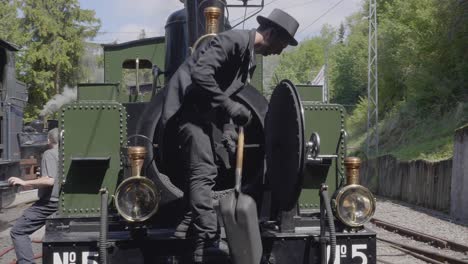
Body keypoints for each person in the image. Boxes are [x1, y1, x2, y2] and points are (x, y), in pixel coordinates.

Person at [160, 8, 299, 262]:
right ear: (270, 33)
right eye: (282, 43)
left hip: (201, 116)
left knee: (210, 169)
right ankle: (208, 241)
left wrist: (227, 129)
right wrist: (230, 107)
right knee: (204, 172)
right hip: (184, 112)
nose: (280, 51)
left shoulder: (247, 57)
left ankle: (188, 226)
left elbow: (221, 91)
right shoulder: (232, 40)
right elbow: (201, 74)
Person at [8, 128, 59, 264]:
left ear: (49, 140)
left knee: (18, 231)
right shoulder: (67, 153)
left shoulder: (49, 153)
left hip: (50, 202)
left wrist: (24, 181)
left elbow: (50, 180)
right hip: (63, 202)